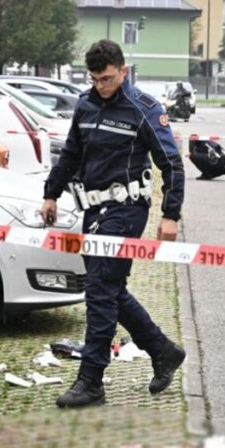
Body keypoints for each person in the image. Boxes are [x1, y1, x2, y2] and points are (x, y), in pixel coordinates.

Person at [41, 39, 187, 409]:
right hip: (94, 211)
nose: (101, 86)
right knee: (107, 289)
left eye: (107, 79)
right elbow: (72, 153)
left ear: (123, 71)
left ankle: (91, 381)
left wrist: (170, 214)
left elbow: (171, 163)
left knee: (100, 291)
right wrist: (51, 194)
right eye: (95, 79)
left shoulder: (144, 108)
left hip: (127, 211)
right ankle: (163, 350)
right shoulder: (86, 103)